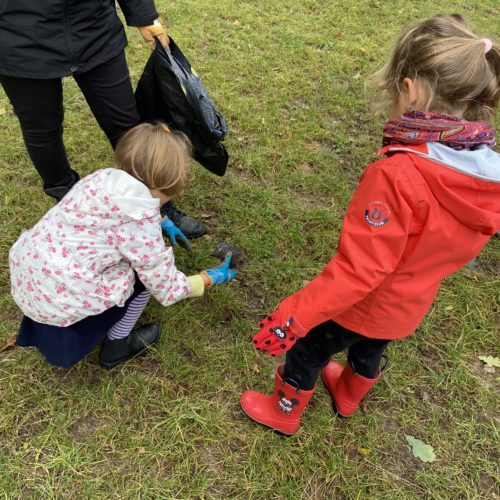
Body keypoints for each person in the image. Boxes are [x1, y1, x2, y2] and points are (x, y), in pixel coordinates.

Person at [240, 14, 500, 435]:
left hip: (361, 305)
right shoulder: (484, 175)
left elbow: (360, 271)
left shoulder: (397, 175)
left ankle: (283, 412)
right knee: (370, 349)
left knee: (308, 351)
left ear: (410, 88)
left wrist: (295, 313)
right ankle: (347, 394)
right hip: (410, 304)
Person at [8, 122, 237, 369]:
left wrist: (163, 221)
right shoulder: (141, 228)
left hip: (30, 276)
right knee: (143, 279)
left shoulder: (99, 179)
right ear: (167, 187)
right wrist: (207, 278)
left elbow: (120, 212)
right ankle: (117, 343)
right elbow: (166, 287)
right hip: (63, 298)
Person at [0, 0, 205, 239]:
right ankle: (69, 205)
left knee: (127, 125)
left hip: (94, 29)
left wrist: (144, 16)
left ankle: (155, 207)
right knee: (41, 128)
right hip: (19, 38)